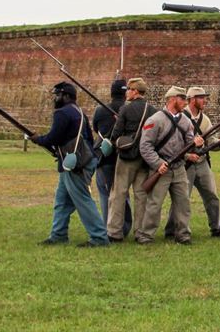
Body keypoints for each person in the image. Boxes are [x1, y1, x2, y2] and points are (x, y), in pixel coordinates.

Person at [31, 82, 109, 247]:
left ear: (66, 96)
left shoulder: (62, 113)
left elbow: (54, 138)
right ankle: (58, 234)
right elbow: (88, 138)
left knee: (83, 200)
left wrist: (38, 140)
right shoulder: (78, 112)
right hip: (81, 160)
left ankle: (99, 237)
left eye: (58, 95)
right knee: (62, 201)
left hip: (75, 164)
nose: (56, 98)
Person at [137, 86, 201, 245]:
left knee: (183, 203)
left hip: (178, 168)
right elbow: (145, 146)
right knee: (154, 204)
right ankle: (146, 235)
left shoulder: (186, 121)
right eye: (182, 99)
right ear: (172, 99)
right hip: (161, 167)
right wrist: (158, 163)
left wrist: (195, 143)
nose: (185, 102)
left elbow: (188, 144)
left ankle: (183, 234)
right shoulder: (155, 120)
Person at [105, 77, 156, 242]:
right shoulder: (153, 111)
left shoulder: (125, 110)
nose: (126, 92)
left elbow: (115, 134)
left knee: (118, 194)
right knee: (141, 196)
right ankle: (141, 233)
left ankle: (114, 232)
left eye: (129, 89)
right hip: (145, 157)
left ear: (134, 91)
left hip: (127, 158)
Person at [183, 86, 220, 239]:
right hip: (186, 164)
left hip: (202, 163)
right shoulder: (181, 117)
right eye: (201, 97)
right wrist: (187, 155)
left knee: (212, 196)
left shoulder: (205, 119)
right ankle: (174, 229)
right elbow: (174, 144)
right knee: (182, 198)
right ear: (192, 100)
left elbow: (210, 140)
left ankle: (217, 228)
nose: (205, 100)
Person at [92, 78, 132, 238]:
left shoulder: (101, 110)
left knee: (105, 194)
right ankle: (125, 226)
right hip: (124, 157)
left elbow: (96, 128)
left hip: (105, 157)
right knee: (123, 194)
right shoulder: (129, 110)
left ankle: (109, 228)